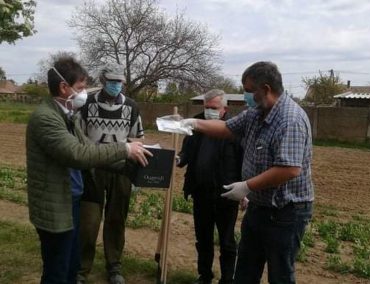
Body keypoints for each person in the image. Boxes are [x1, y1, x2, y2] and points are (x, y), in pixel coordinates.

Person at [182, 61, 314, 284]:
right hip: (259, 207)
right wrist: (193, 123)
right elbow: (226, 128)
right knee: (246, 271)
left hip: (286, 212)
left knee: (280, 273)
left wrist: (247, 186)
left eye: (249, 91)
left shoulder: (289, 119)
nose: (246, 97)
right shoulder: (255, 113)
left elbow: (289, 169)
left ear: (266, 89)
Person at [26, 56, 151, 284]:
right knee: (58, 268)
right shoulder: (47, 119)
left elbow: (88, 148)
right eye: (81, 87)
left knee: (69, 263)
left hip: (72, 198)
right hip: (58, 204)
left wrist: (129, 165)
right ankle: (82, 270)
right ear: (64, 87)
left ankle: (104, 267)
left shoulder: (66, 116)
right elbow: (80, 154)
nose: (84, 92)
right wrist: (123, 149)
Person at [77, 64, 143, 284]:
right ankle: (81, 269)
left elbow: (137, 139)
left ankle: (114, 266)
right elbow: (78, 135)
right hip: (92, 171)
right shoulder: (86, 104)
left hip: (121, 171)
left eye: (119, 82)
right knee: (88, 223)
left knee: (116, 220)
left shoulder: (132, 107)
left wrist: (136, 175)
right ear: (103, 80)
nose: (116, 85)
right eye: (112, 81)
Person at [177, 89, 242, 284]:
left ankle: (227, 279)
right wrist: (178, 159)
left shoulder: (235, 129)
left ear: (224, 109)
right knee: (203, 240)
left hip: (226, 194)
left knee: (227, 241)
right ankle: (204, 276)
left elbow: (243, 160)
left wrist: (245, 190)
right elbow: (187, 152)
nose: (209, 111)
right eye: (206, 107)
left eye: (213, 108)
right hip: (201, 191)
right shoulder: (196, 125)